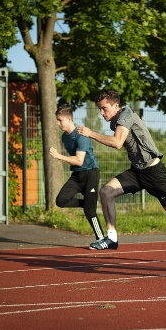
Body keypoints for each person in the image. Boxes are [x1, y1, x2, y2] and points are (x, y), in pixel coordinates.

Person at [77, 90, 166, 256]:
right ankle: (112, 238)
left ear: (116, 105)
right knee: (106, 192)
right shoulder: (114, 122)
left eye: (104, 108)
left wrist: (90, 133)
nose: (101, 113)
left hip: (154, 172)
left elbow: (117, 143)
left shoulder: (125, 116)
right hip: (137, 172)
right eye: (99, 109)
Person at [49, 106, 106, 249]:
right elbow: (76, 163)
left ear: (69, 119)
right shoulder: (64, 137)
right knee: (61, 200)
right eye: (57, 120)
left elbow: (79, 160)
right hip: (77, 175)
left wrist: (58, 156)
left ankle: (101, 239)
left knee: (90, 211)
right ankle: (87, 203)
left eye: (60, 120)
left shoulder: (81, 135)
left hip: (90, 174)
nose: (58, 123)